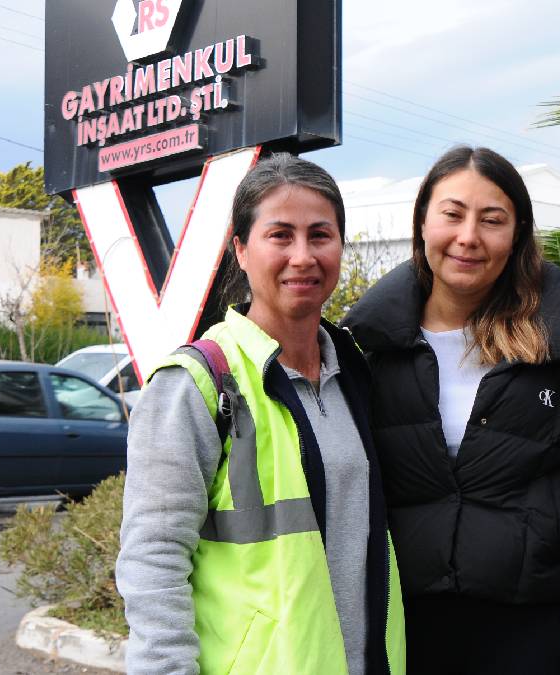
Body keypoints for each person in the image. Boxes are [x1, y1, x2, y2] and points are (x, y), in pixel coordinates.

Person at [116, 153, 405, 675]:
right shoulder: (199, 383)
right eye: (280, 235)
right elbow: (153, 560)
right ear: (241, 251)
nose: (303, 256)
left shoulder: (355, 373)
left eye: (320, 235)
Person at [342, 145, 560, 675]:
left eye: (492, 220)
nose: (469, 237)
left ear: (516, 235)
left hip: (526, 628)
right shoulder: (365, 350)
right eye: (452, 214)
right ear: (423, 221)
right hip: (405, 621)